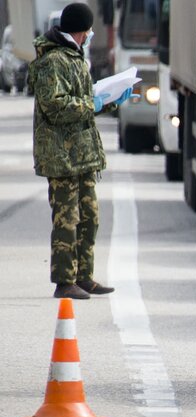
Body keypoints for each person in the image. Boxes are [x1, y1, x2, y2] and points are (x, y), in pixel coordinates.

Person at [28, 3, 137, 300]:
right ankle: (64, 281)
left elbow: (84, 102)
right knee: (67, 219)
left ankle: (83, 276)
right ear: (80, 30)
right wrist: (95, 104)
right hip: (61, 157)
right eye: (88, 30)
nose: (90, 35)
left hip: (81, 155)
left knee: (90, 217)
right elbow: (57, 106)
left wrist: (112, 99)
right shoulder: (54, 62)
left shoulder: (75, 58)